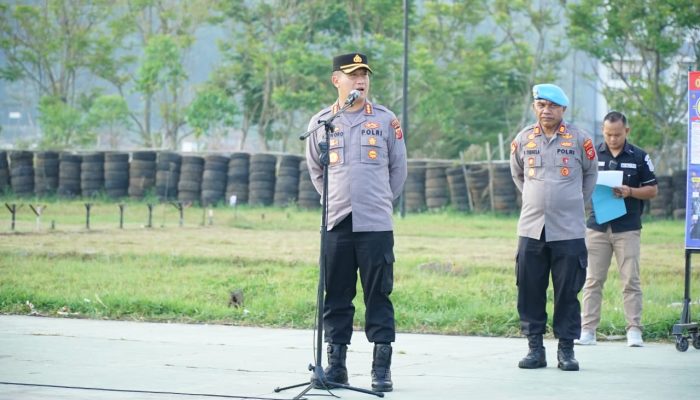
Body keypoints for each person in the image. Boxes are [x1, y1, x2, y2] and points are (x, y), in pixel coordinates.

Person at [305, 52, 407, 392]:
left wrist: (376, 200)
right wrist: (336, 199)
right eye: (353, 75)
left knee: (378, 294)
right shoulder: (321, 123)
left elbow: (398, 170)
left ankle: (381, 368)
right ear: (337, 80)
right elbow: (317, 172)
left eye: (364, 74)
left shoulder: (386, 120)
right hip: (336, 222)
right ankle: (336, 366)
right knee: (336, 294)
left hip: (375, 224)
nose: (360, 80)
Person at [510, 83, 598, 371]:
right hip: (532, 229)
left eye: (552, 106)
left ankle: (566, 350)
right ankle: (535, 349)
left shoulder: (579, 140)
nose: (546, 110)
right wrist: (539, 200)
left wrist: (570, 202)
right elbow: (518, 175)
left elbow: (590, 176)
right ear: (535, 107)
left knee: (567, 292)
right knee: (530, 290)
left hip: (568, 230)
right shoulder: (523, 139)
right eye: (541, 105)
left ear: (563, 109)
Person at [577, 111, 658, 347]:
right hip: (597, 226)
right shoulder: (591, 155)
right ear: (603, 131)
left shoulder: (640, 157)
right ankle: (588, 330)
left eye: (618, 134)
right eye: (608, 134)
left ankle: (634, 329)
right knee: (592, 280)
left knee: (630, 280)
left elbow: (653, 189)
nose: (613, 139)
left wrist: (630, 191)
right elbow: (579, 183)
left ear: (627, 131)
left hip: (627, 227)